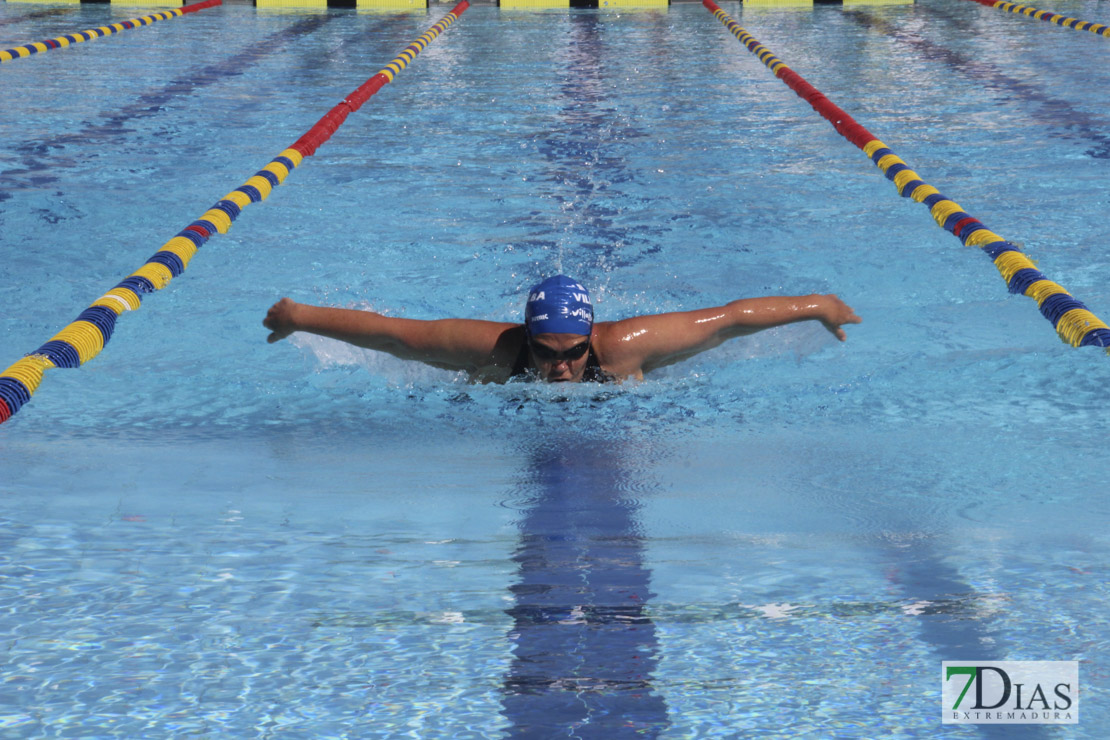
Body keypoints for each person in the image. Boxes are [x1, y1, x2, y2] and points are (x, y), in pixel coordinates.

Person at [262, 275, 861, 383]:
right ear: (524, 336)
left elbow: (729, 320)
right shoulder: (493, 350)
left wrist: (818, 304)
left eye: (573, 352)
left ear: (591, 335)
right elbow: (394, 334)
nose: (561, 368)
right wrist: (299, 318)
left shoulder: (625, 349)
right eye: (545, 352)